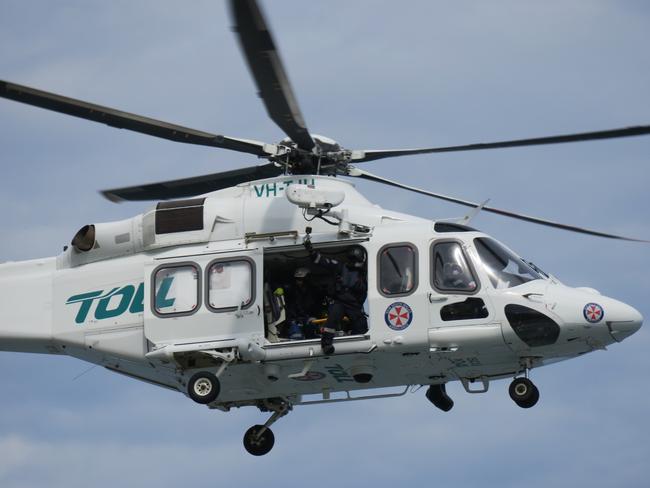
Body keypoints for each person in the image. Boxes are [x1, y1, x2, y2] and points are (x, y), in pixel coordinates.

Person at [304, 239, 368, 355]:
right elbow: (323, 261)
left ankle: (356, 343)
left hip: (354, 304)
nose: (354, 263)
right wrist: (311, 251)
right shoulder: (341, 267)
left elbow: (363, 290)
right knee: (332, 319)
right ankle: (326, 344)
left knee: (361, 323)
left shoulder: (364, 273)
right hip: (340, 301)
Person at [283, 267, 322, 340]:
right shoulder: (292, 291)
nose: (298, 281)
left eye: (301, 279)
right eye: (297, 279)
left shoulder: (314, 291)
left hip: (311, 320)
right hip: (296, 320)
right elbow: (291, 307)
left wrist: (314, 317)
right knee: (296, 336)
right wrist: (294, 319)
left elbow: (317, 306)